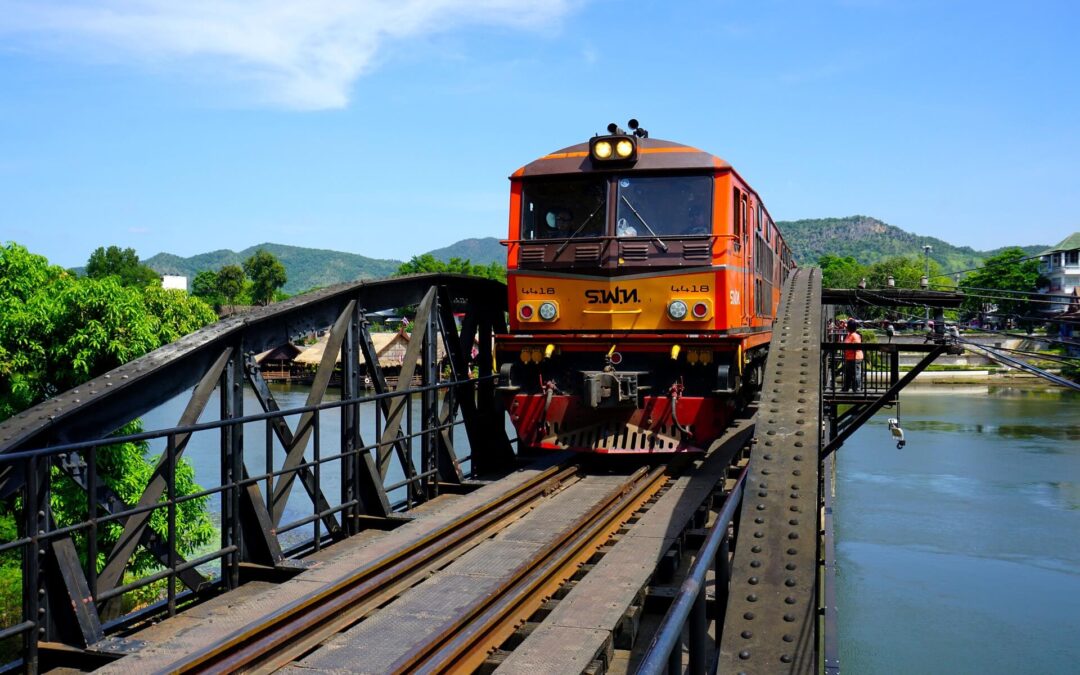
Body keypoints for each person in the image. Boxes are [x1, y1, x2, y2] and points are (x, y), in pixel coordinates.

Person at [842, 318, 864, 392]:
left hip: (855, 358)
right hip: (850, 358)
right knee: (848, 374)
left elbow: (856, 346)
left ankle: (857, 389)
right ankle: (846, 388)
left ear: (850, 327)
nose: (846, 327)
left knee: (855, 374)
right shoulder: (850, 335)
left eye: (848, 326)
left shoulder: (854, 336)